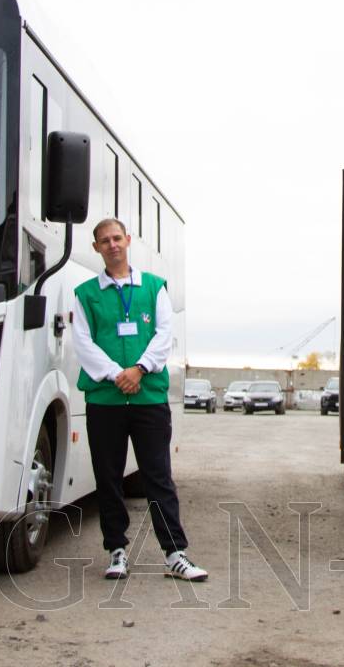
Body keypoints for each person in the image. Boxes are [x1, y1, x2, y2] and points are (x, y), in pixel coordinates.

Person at [72, 217, 208, 582]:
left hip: (148, 398)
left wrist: (140, 369)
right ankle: (116, 551)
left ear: (128, 240)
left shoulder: (153, 287)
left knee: (158, 477)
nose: (112, 245)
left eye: (117, 238)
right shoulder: (85, 294)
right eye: (105, 240)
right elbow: (83, 342)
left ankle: (175, 554)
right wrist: (117, 374)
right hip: (106, 400)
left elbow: (164, 334)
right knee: (108, 479)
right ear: (96, 247)